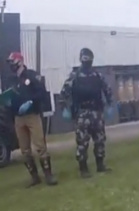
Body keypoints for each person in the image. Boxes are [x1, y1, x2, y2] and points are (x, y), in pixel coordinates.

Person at [60, 48, 115, 178]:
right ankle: (83, 169)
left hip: (97, 112)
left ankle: (100, 165)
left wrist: (110, 105)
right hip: (82, 114)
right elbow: (63, 93)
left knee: (100, 140)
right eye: (84, 59)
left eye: (88, 59)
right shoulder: (74, 76)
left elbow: (107, 90)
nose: (86, 62)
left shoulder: (97, 76)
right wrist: (65, 109)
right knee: (82, 142)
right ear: (81, 60)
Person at [5, 52, 58, 187]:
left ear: (20, 61)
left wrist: (31, 102)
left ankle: (48, 175)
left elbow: (41, 92)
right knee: (24, 149)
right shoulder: (11, 79)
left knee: (40, 145)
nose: (11, 65)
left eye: (13, 62)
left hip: (32, 115)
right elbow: (8, 95)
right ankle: (34, 177)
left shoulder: (32, 75)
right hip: (18, 117)